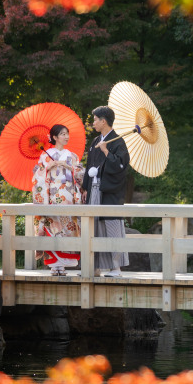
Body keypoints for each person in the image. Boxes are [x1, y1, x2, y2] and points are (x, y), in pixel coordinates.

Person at [82, 105, 130, 277]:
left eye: (95, 119)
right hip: (94, 189)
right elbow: (89, 166)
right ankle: (93, 268)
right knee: (93, 227)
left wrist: (106, 151)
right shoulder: (96, 141)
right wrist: (86, 188)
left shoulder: (117, 142)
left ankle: (115, 268)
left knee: (111, 227)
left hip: (109, 191)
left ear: (103, 121)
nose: (93, 122)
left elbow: (121, 166)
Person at [32, 124, 85, 276]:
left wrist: (70, 167)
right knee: (53, 227)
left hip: (69, 195)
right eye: (62, 134)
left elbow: (81, 175)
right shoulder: (45, 156)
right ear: (54, 137)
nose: (66, 137)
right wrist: (47, 167)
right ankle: (55, 266)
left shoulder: (72, 156)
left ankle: (65, 264)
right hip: (52, 196)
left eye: (67, 133)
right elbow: (37, 176)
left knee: (68, 227)